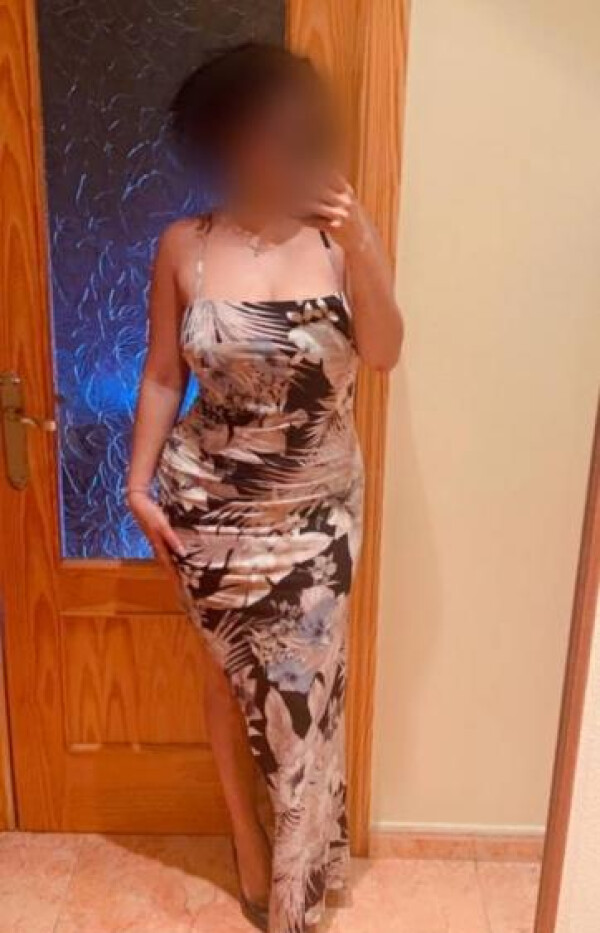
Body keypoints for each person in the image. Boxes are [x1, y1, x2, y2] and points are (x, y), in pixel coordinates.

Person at [127, 42, 403, 933]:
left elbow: (385, 352)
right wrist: (137, 486)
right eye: (253, 130)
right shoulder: (186, 246)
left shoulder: (337, 237)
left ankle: (299, 875)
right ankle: (249, 839)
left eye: (289, 129)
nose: (273, 147)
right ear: (220, 137)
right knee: (227, 677)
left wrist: (364, 242)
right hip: (208, 511)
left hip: (318, 515)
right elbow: (163, 375)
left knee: (303, 700)